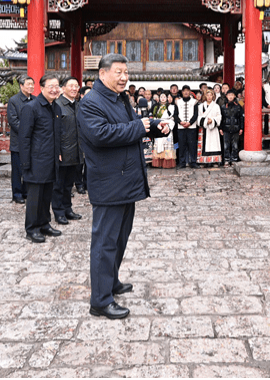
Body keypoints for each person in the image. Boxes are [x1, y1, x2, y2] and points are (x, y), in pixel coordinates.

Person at [77, 53, 170, 320]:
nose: (124, 77)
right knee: (104, 242)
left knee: (119, 238)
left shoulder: (120, 99)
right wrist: (140, 127)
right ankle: (100, 300)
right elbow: (101, 135)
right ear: (102, 74)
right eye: (118, 72)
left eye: (126, 72)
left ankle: (111, 281)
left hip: (126, 180)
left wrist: (153, 126)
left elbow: (131, 126)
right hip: (108, 183)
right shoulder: (91, 103)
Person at [21, 74, 63, 244]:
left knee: (47, 195)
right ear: (42, 88)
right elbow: (24, 137)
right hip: (36, 161)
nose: (54, 89)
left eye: (57, 86)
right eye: (51, 86)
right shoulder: (31, 108)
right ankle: (32, 229)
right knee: (35, 197)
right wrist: (25, 163)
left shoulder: (56, 108)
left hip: (51, 159)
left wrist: (58, 153)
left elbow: (57, 135)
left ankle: (44, 224)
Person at [52, 77, 84, 226]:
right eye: (70, 86)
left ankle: (68, 209)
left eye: (76, 86)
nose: (74, 88)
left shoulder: (78, 105)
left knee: (68, 184)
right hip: (62, 152)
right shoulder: (57, 105)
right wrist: (56, 150)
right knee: (59, 185)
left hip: (75, 151)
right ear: (62, 88)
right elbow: (54, 131)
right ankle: (58, 212)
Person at [6, 76, 34, 205]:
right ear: (21, 86)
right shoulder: (13, 101)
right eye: (28, 84)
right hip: (18, 142)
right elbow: (13, 121)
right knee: (17, 170)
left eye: (32, 85)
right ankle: (17, 194)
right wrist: (27, 132)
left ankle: (27, 191)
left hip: (32, 142)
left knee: (29, 168)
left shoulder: (35, 100)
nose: (31, 87)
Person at [151, 93, 178, 169]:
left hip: (167, 125)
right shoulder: (156, 107)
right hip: (158, 125)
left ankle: (167, 162)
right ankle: (159, 162)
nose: (163, 98)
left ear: (167, 98)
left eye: (164, 97)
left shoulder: (170, 107)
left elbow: (171, 117)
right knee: (158, 143)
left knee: (167, 144)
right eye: (161, 97)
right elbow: (154, 117)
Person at [175, 86, 199, 169]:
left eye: (187, 91)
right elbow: (175, 115)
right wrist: (180, 122)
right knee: (182, 145)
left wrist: (190, 123)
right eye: (184, 91)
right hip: (181, 127)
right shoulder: (178, 102)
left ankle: (193, 162)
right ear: (182, 92)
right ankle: (182, 162)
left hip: (191, 127)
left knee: (192, 145)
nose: (185, 92)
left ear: (190, 92)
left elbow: (196, 114)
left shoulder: (195, 102)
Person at [197, 89, 222, 167]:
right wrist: (205, 121)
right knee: (204, 145)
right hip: (204, 128)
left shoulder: (216, 106)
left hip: (213, 128)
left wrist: (212, 121)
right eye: (207, 95)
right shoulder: (201, 106)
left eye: (211, 95)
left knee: (214, 144)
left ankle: (215, 161)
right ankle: (203, 161)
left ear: (213, 96)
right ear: (205, 96)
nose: (209, 97)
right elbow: (198, 117)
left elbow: (219, 116)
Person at [220, 89, 243, 165]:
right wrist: (220, 128)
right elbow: (221, 118)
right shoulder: (223, 106)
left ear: (234, 96)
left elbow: (241, 118)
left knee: (235, 146)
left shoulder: (238, 106)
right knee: (226, 146)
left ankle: (234, 159)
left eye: (232, 95)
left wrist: (241, 128)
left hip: (235, 128)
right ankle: (226, 160)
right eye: (229, 95)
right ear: (226, 96)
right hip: (226, 128)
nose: (230, 97)